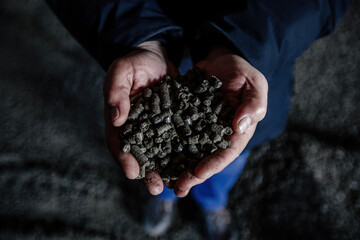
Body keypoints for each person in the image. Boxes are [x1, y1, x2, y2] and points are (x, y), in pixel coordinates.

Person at [45, 0, 353, 239]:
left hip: (248, 68)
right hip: (153, 46)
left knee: (229, 156)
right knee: (162, 175)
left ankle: (213, 203)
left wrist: (248, 45)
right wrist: (137, 35)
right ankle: (167, 198)